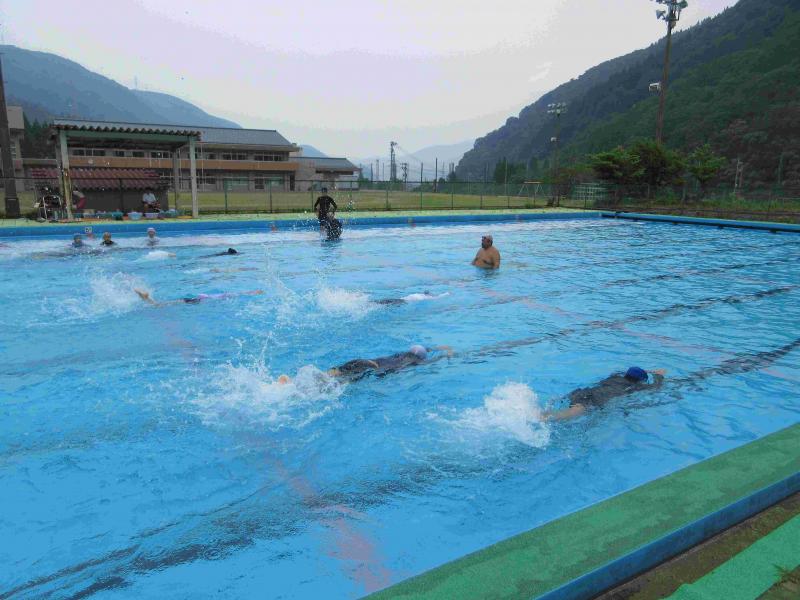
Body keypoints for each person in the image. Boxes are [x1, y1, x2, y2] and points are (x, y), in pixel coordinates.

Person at [279, 344, 454, 384]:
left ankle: (293, 381)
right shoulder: (414, 362)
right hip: (372, 369)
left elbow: (424, 349)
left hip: (364, 361)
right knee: (341, 383)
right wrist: (447, 353)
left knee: (334, 373)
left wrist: (436, 348)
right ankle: (303, 389)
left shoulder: (399, 354)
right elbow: (432, 358)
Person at [543, 367, 666, 421]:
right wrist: (659, 375)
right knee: (568, 414)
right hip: (595, 399)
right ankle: (540, 418)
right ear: (640, 381)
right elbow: (656, 387)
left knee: (563, 408)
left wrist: (645, 370)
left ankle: (540, 414)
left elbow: (621, 371)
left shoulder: (615, 377)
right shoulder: (635, 387)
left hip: (584, 392)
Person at [135, 288, 264, 307]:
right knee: (160, 306)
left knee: (165, 304)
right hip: (198, 300)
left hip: (198, 297)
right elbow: (241, 294)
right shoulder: (228, 295)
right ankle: (148, 299)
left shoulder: (223, 294)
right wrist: (253, 293)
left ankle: (147, 299)